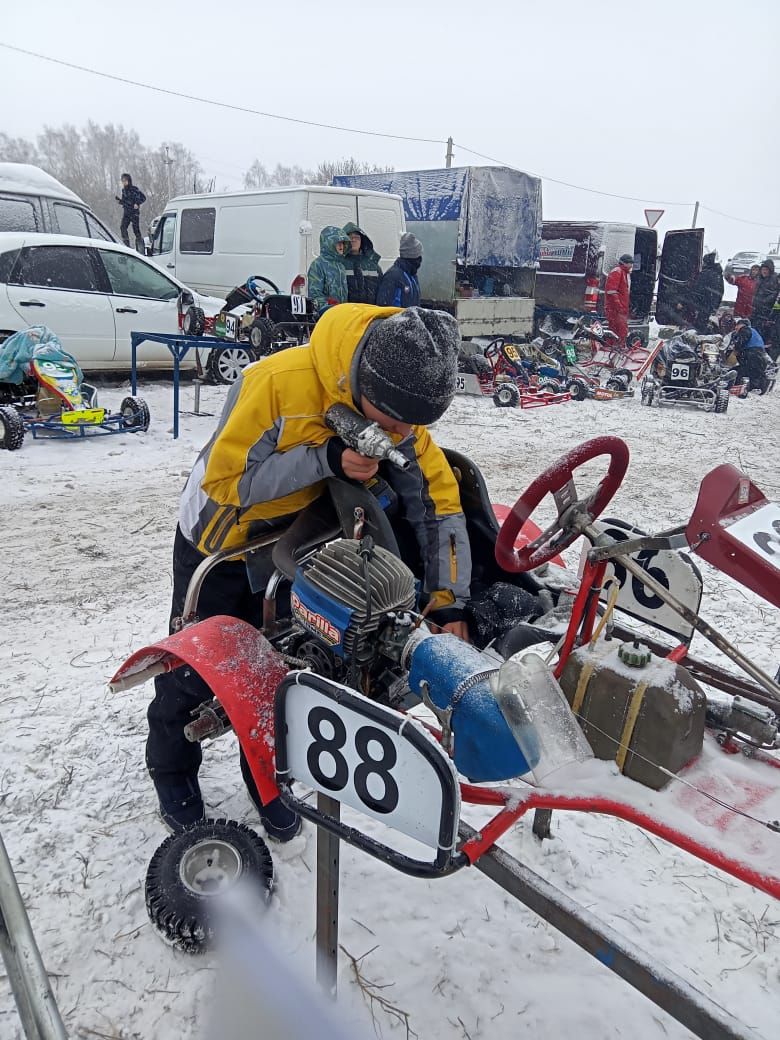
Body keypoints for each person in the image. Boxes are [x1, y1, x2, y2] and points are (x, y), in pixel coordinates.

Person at [146, 303, 471, 836]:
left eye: (412, 427)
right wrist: (327, 458)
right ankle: (171, 768)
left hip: (292, 545)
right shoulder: (275, 384)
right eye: (391, 424)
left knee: (281, 667)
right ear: (366, 384)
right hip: (220, 542)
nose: (401, 435)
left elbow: (438, 497)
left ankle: (266, 770)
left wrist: (449, 597)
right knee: (195, 671)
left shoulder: (398, 411)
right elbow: (226, 484)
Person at [307, 226, 350, 316]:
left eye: (342, 243)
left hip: (341, 314)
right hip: (326, 316)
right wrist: (328, 306)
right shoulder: (318, 264)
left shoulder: (341, 266)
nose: (341, 246)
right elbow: (315, 294)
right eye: (338, 243)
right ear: (329, 244)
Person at [375, 233, 423, 308]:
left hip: (411, 319)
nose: (420, 259)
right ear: (413, 256)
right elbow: (384, 306)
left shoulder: (412, 275)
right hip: (398, 319)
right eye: (419, 255)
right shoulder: (392, 276)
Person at [341, 222, 383, 304]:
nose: (353, 240)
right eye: (350, 237)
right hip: (347, 312)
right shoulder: (339, 263)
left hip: (370, 311)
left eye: (357, 238)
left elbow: (381, 290)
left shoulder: (372, 265)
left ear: (362, 241)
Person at [689, 251, 724, 333]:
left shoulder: (705, 274)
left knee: (698, 326)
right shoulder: (718, 274)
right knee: (704, 324)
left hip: (702, 305)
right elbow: (720, 291)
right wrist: (715, 306)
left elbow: (697, 289)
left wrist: (694, 301)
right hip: (711, 306)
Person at [752, 258, 780, 357]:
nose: (764, 271)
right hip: (757, 310)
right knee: (755, 331)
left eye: (766, 269)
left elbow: (773, 296)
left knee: (767, 334)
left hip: (767, 313)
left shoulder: (773, 280)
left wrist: (763, 303)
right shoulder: (759, 278)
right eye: (763, 269)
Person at [603, 253, 633, 345]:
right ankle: (617, 348)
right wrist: (619, 306)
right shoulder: (617, 272)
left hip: (619, 309)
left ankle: (614, 348)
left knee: (617, 330)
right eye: (630, 263)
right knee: (619, 330)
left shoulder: (623, 273)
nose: (631, 265)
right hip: (615, 309)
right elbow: (611, 291)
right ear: (625, 263)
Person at [730, 317, 767, 387]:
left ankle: (737, 386)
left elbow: (742, 340)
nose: (735, 328)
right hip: (760, 354)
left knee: (742, 371)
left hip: (752, 354)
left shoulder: (745, 329)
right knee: (754, 372)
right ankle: (760, 386)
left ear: (741, 325)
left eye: (737, 326)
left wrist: (736, 348)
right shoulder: (754, 331)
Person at [115, 173, 146, 252]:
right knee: (123, 227)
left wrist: (137, 203)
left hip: (134, 213)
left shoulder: (134, 189)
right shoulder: (124, 190)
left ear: (129, 180)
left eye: (125, 180)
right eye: (122, 181)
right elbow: (126, 202)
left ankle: (141, 249)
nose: (124, 182)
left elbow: (143, 197)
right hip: (126, 213)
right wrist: (120, 201)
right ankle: (126, 246)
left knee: (136, 230)